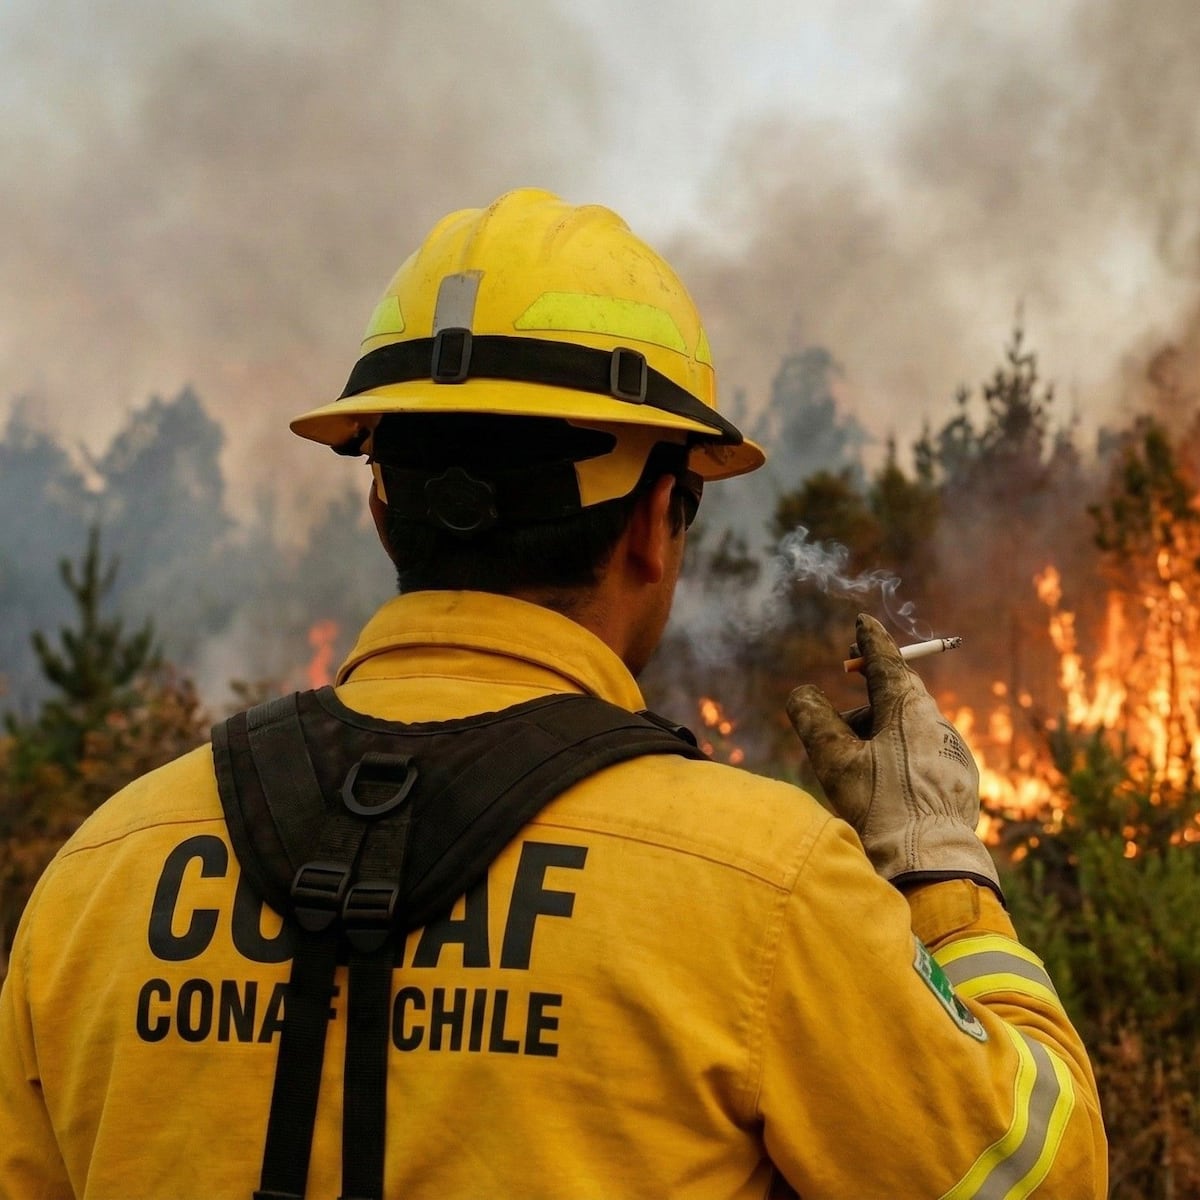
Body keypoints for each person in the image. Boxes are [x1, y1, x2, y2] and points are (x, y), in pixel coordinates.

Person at [0, 188, 1106, 1199]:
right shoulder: (765, 890)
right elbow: (1038, 1183)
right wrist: (937, 865)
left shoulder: (95, 882)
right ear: (650, 525)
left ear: (382, 506)